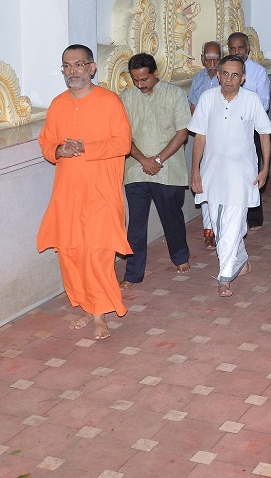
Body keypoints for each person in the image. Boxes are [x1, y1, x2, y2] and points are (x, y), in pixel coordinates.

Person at [36, 45, 132, 342]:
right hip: (67, 195)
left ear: (92, 68)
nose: (72, 71)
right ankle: (88, 306)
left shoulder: (109, 102)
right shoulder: (57, 105)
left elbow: (123, 144)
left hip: (101, 193)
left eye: (79, 64)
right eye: (67, 66)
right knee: (71, 254)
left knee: (98, 254)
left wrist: (86, 148)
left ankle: (100, 315)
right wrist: (59, 149)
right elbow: (46, 142)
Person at [189, 55, 271, 297]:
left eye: (235, 74)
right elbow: (200, 136)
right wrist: (195, 170)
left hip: (242, 173)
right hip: (212, 172)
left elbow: (265, 133)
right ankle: (242, 260)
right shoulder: (207, 99)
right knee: (218, 222)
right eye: (225, 73)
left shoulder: (251, 100)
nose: (229, 79)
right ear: (218, 75)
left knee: (232, 222)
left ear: (243, 77)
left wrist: (265, 167)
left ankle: (224, 277)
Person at [119, 53, 192, 287]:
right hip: (136, 168)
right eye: (135, 80)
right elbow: (122, 136)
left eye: (144, 79)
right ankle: (133, 273)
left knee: (171, 217)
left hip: (169, 168)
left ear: (155, 73)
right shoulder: (126, 98)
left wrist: (158, 160)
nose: (140, 85)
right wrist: (143, 160)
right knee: (136, 223)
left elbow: (182, 133)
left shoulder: (175, 94)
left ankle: (180, 256)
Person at [228, 32, 270, 230]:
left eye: (240, 48)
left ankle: (254, 216)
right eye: (233, 49)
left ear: (248, 49)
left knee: (252, 171)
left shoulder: (259, 72)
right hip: (228, 129)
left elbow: (263, 103)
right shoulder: (225, 71)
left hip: (251, 129)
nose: (237, 52)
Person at [188, 41, 222, 249]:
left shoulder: (226, 78)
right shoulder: (198, 79)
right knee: (204, 184)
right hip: (204, 139)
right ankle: (208, 228)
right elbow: (193, 107)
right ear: (202, 59)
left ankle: (223, 227)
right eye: (207, 59)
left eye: (216, 59)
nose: (212, 63)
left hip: (224, 139)